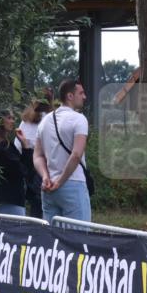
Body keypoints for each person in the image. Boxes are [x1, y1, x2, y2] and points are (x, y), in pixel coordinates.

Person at [34, 79, 92, 222]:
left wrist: (45, 177)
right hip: (73, 183)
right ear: (70, 96)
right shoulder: (79, 119)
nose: (84, 97)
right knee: (78, 238)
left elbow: (37, 156)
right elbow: (76, 155)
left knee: (52, 239)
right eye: (81, 93)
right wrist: (60, 182)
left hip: (48, 188)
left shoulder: (45, 121)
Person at [0, 108, 28, 215]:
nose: (12, 121)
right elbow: (20, 170)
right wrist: (26, 148)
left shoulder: (0, 143)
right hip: (9, 199)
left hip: (2, 199)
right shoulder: (1, 146)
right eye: (9, 118)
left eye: (13, 118)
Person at [14, 98, 52, 219]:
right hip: (44, 163)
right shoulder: (49, 119)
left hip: (30, 164)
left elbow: (17, 146)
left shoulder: (24, 122)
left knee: (35, 201)